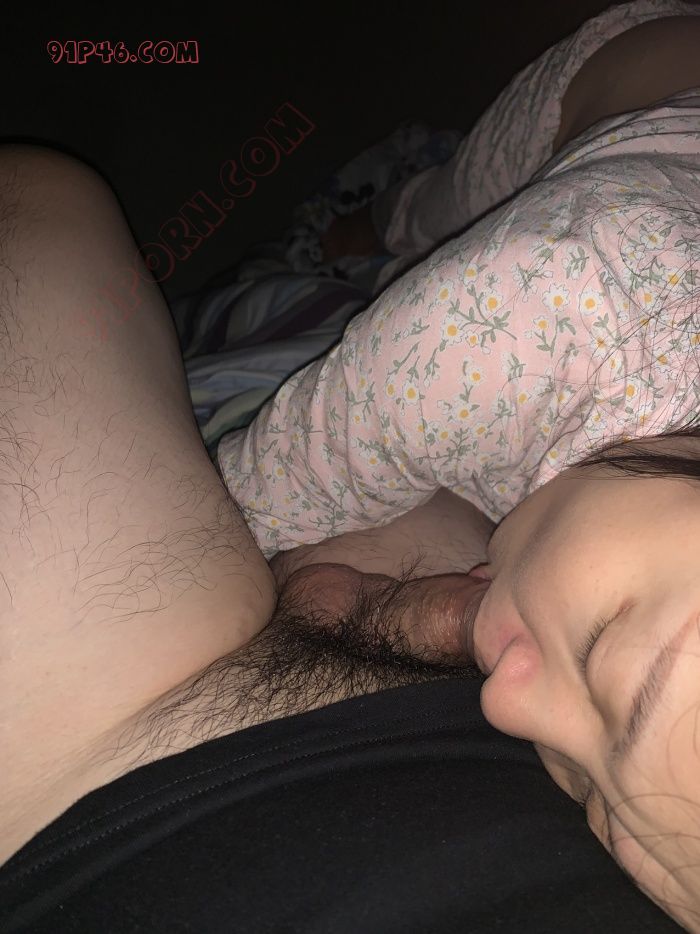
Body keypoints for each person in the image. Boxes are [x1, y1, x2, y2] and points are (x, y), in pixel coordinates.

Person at [218, 3, 700, 931]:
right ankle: (378, 222)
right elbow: (252, 503)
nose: (508, 710)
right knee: (446, 207)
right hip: (631, 82)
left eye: (598, 805)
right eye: (602, 654)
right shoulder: (517, 318)